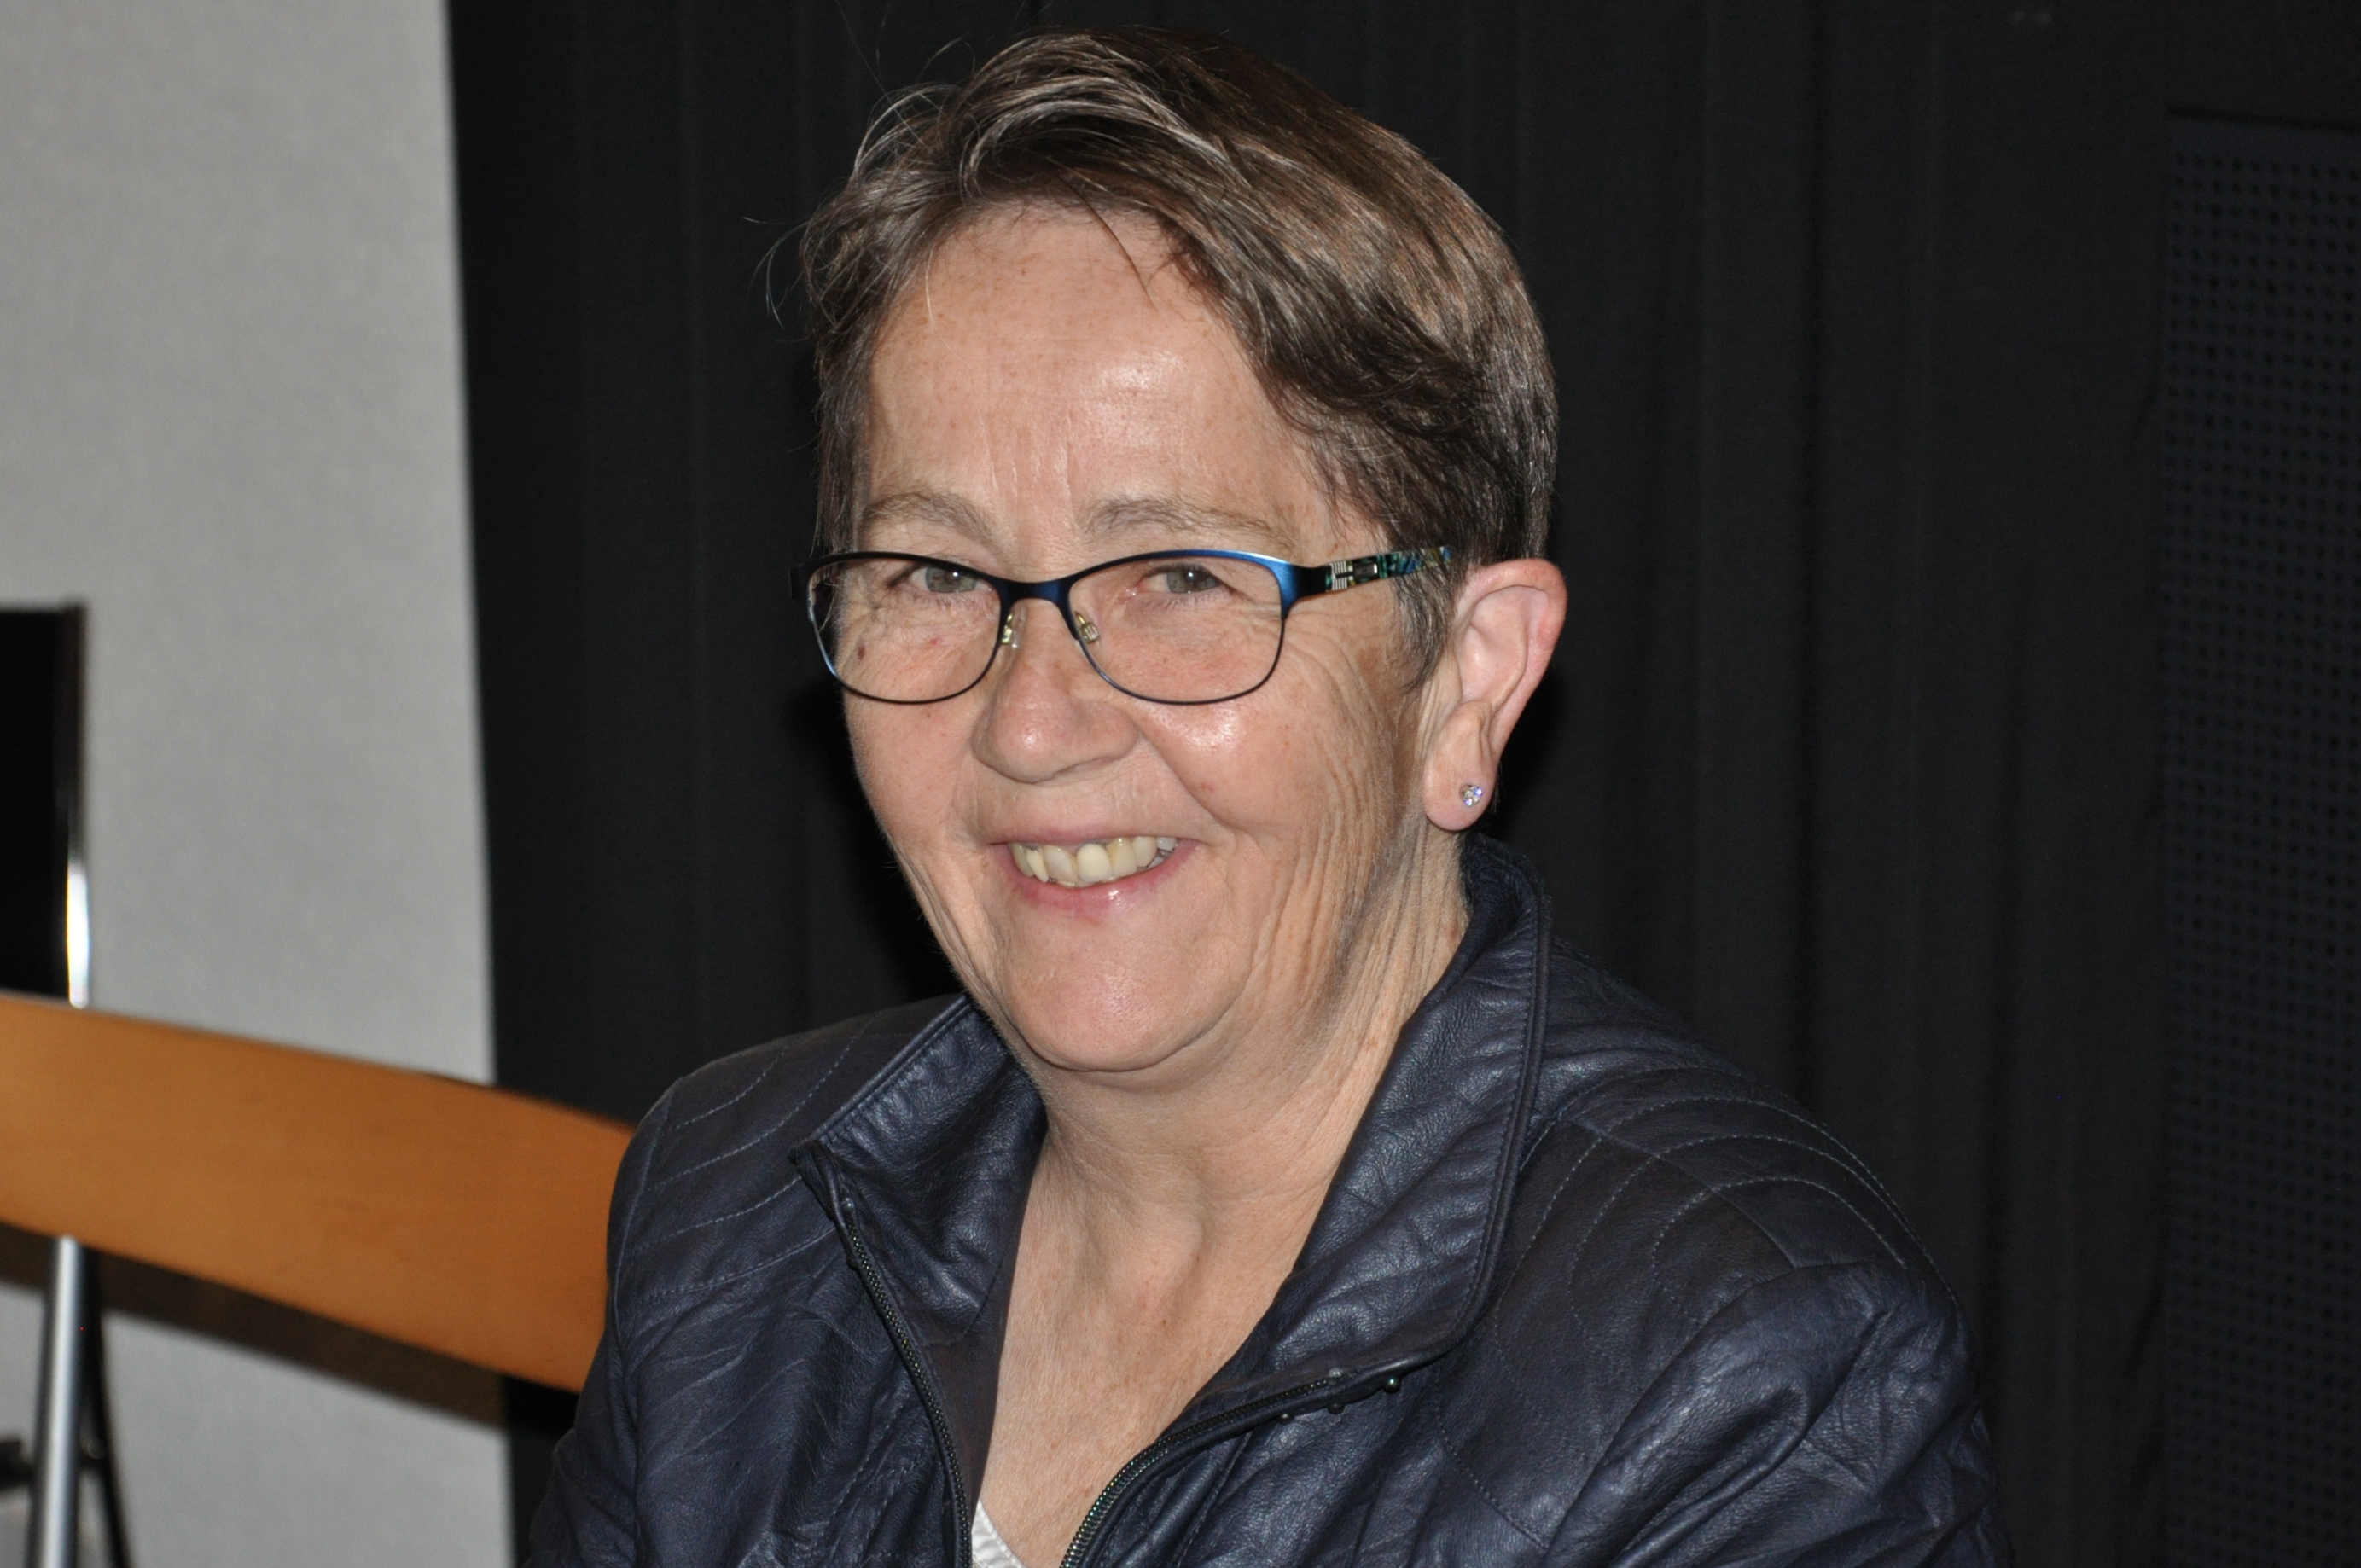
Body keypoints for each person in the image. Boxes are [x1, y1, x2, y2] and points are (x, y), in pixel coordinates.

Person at [531, 26, 2003, 1568]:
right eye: (938, 575)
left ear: (1468, 679)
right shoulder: (727, 1207)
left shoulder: (1758, 1390)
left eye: (1181, 576)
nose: (1030, 724)